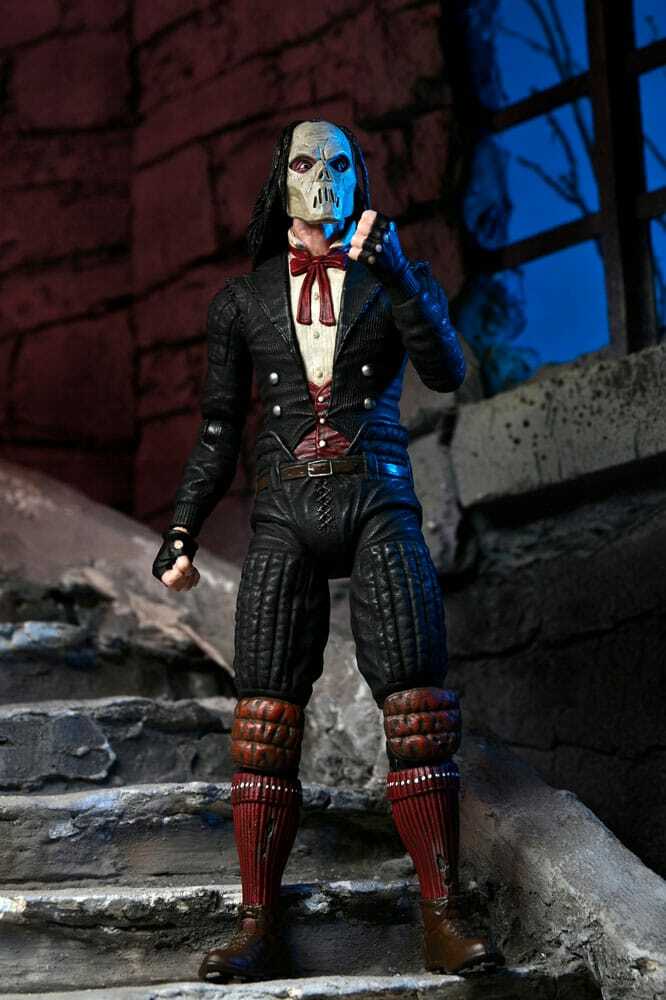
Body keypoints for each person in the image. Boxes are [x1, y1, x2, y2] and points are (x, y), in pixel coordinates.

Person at [152, 120, 502, 983]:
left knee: (418, 710)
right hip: (282, 509)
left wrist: (401, 274)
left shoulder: (391, 277)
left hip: (376, 494)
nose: (323, 178)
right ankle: (257, 924)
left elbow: (448, 370)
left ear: (359, 180)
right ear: (282, 181)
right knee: (263, 721)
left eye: (340, 164)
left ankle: (441, 916)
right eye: (307, 162)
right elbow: (218, 427)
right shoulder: (242, 301)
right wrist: (184, 526)